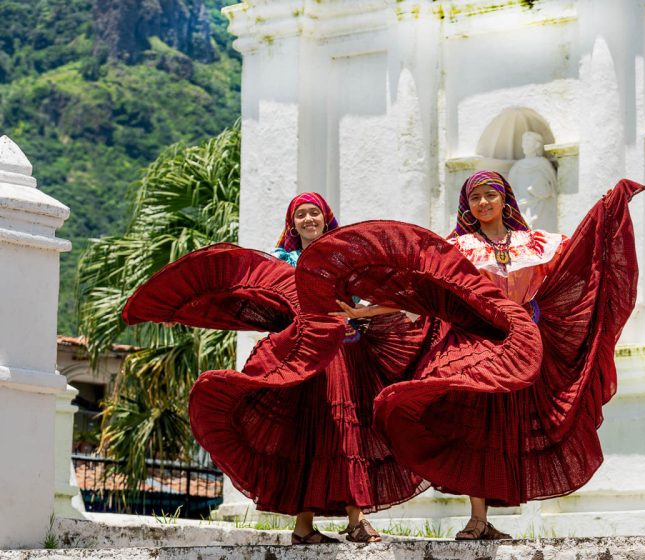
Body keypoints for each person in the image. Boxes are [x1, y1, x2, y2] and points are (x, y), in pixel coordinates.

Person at [290, 172, 642, 541]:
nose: (484, 203)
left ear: (505, 199)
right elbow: (423, 290)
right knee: (476, 425)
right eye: (475, 198)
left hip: (524, 344)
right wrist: (366, 312)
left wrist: (608, 209)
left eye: (490, 195)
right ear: (467, 206)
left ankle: (485, 519)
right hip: (477, 344)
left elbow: (579, 259)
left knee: (509, 428)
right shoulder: (457, 248)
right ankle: (476, 517)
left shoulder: (535, 243)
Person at [122, 192, 429, 545]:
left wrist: (362, 314)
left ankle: (356, 521)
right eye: (301, 215)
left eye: (315, 213)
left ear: (326, 217)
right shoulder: (282, 260)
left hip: (346, 355)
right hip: (305, 363)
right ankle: (303, 528)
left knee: (351, 434)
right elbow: (253, 298)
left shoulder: (346, 257)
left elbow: (383, 293)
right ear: (292, 223)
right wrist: (183, 307)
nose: (309, 219)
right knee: (308, 437)